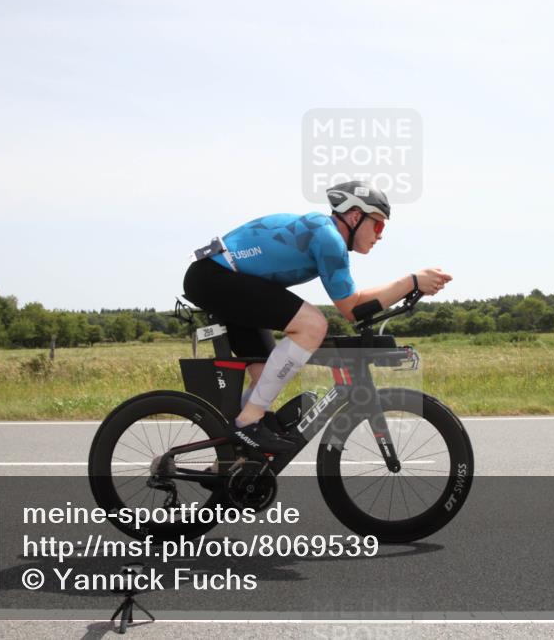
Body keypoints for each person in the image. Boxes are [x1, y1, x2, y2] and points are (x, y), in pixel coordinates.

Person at [182, 181, 452, 453]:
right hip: (215, 277)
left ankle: (232, 463)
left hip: (220, 277)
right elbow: (351, 308)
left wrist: (412, 284)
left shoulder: (324, 232)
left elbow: (353, 306)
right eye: (378, 225)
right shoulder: (328, 238)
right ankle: (248, 424)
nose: (380, 235)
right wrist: (412, 282)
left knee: (264, 375)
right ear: (355, 216)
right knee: (312, 325)